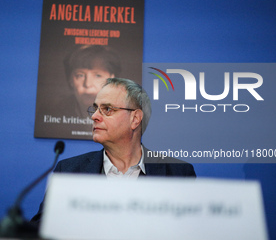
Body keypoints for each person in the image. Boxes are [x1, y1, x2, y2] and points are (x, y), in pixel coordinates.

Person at [31, 78, 195, 224]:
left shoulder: (178, 173)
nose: (94, 116)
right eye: (95, 108)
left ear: (135, 119)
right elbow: (41, 228)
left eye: (107, 109)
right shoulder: (68, 171)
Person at [63, 45, 122, 117]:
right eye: (80, 75)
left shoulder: (125, 113)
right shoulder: (55, 112)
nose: (88, 84)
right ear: (70, 80)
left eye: (98, 76)